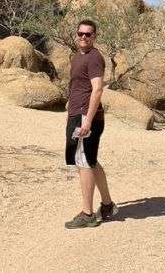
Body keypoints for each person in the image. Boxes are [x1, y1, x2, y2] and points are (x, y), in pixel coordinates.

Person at [63, 19, 118, 229]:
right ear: (76, 35)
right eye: (81, 34)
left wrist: (87, 119)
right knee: (90, 160)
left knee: (83, 161)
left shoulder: (94, 58)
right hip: (77, 114)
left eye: (88, 34)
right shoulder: (77, 57)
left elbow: (97, 89)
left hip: (87, 117)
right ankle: (107, 205)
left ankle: (88, 213)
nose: (84, 37)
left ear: (95, 36)